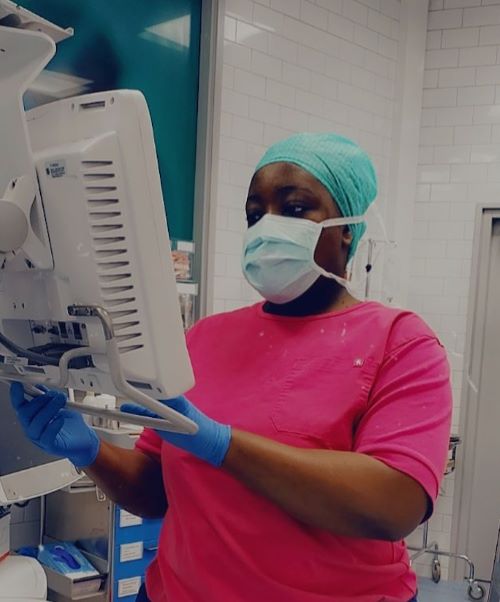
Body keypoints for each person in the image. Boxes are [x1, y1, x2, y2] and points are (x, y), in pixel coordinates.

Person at [10, 133, 452, 602]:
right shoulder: (204, 338)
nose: (267, 227)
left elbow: (394, 505)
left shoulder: (400, 342)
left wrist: (222, 444)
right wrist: (89, 451)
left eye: (296, 208)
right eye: (255, 214)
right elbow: (156, 489)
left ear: (347, 228)